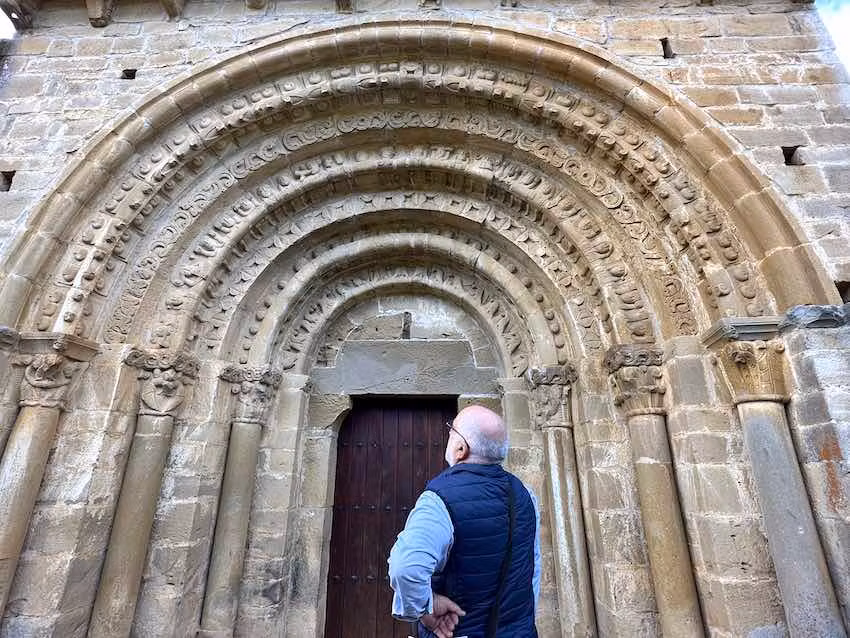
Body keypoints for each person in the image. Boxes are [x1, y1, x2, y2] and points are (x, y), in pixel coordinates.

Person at [388, 405, 541, 638]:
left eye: (452, 430)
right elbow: (532, 570)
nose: (448, 435)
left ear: (461, 448)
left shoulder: (440, 499)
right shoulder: (525, 494)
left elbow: (405, 568)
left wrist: (425, 607)